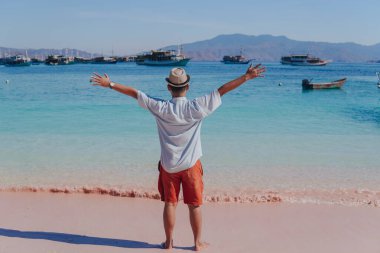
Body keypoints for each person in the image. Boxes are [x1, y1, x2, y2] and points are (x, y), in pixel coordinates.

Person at [90, 64, 266, 251]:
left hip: (169, 167)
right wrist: (246, 77)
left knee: (170, 204)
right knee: (195, 206)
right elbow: (222, 91)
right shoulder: (197, 107)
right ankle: (197, 243)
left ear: (168, 87)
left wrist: (110, 84)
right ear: (188, 87)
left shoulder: (161, 107)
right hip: (191, 166)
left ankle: (168, 243)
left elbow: (135, 93)